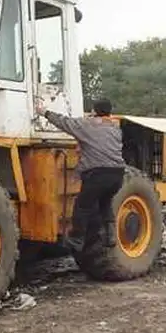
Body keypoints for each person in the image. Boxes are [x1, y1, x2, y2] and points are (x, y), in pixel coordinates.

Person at [34, 97, 126, 251]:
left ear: (94, 111)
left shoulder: (86, 125)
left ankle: (76, 240)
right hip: (118, 174)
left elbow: (64, 122)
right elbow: (102, 144)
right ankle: (110, 237)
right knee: (105, 203)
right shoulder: (115, 129)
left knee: (82, 207)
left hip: (98, 174)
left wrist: (43, 111)